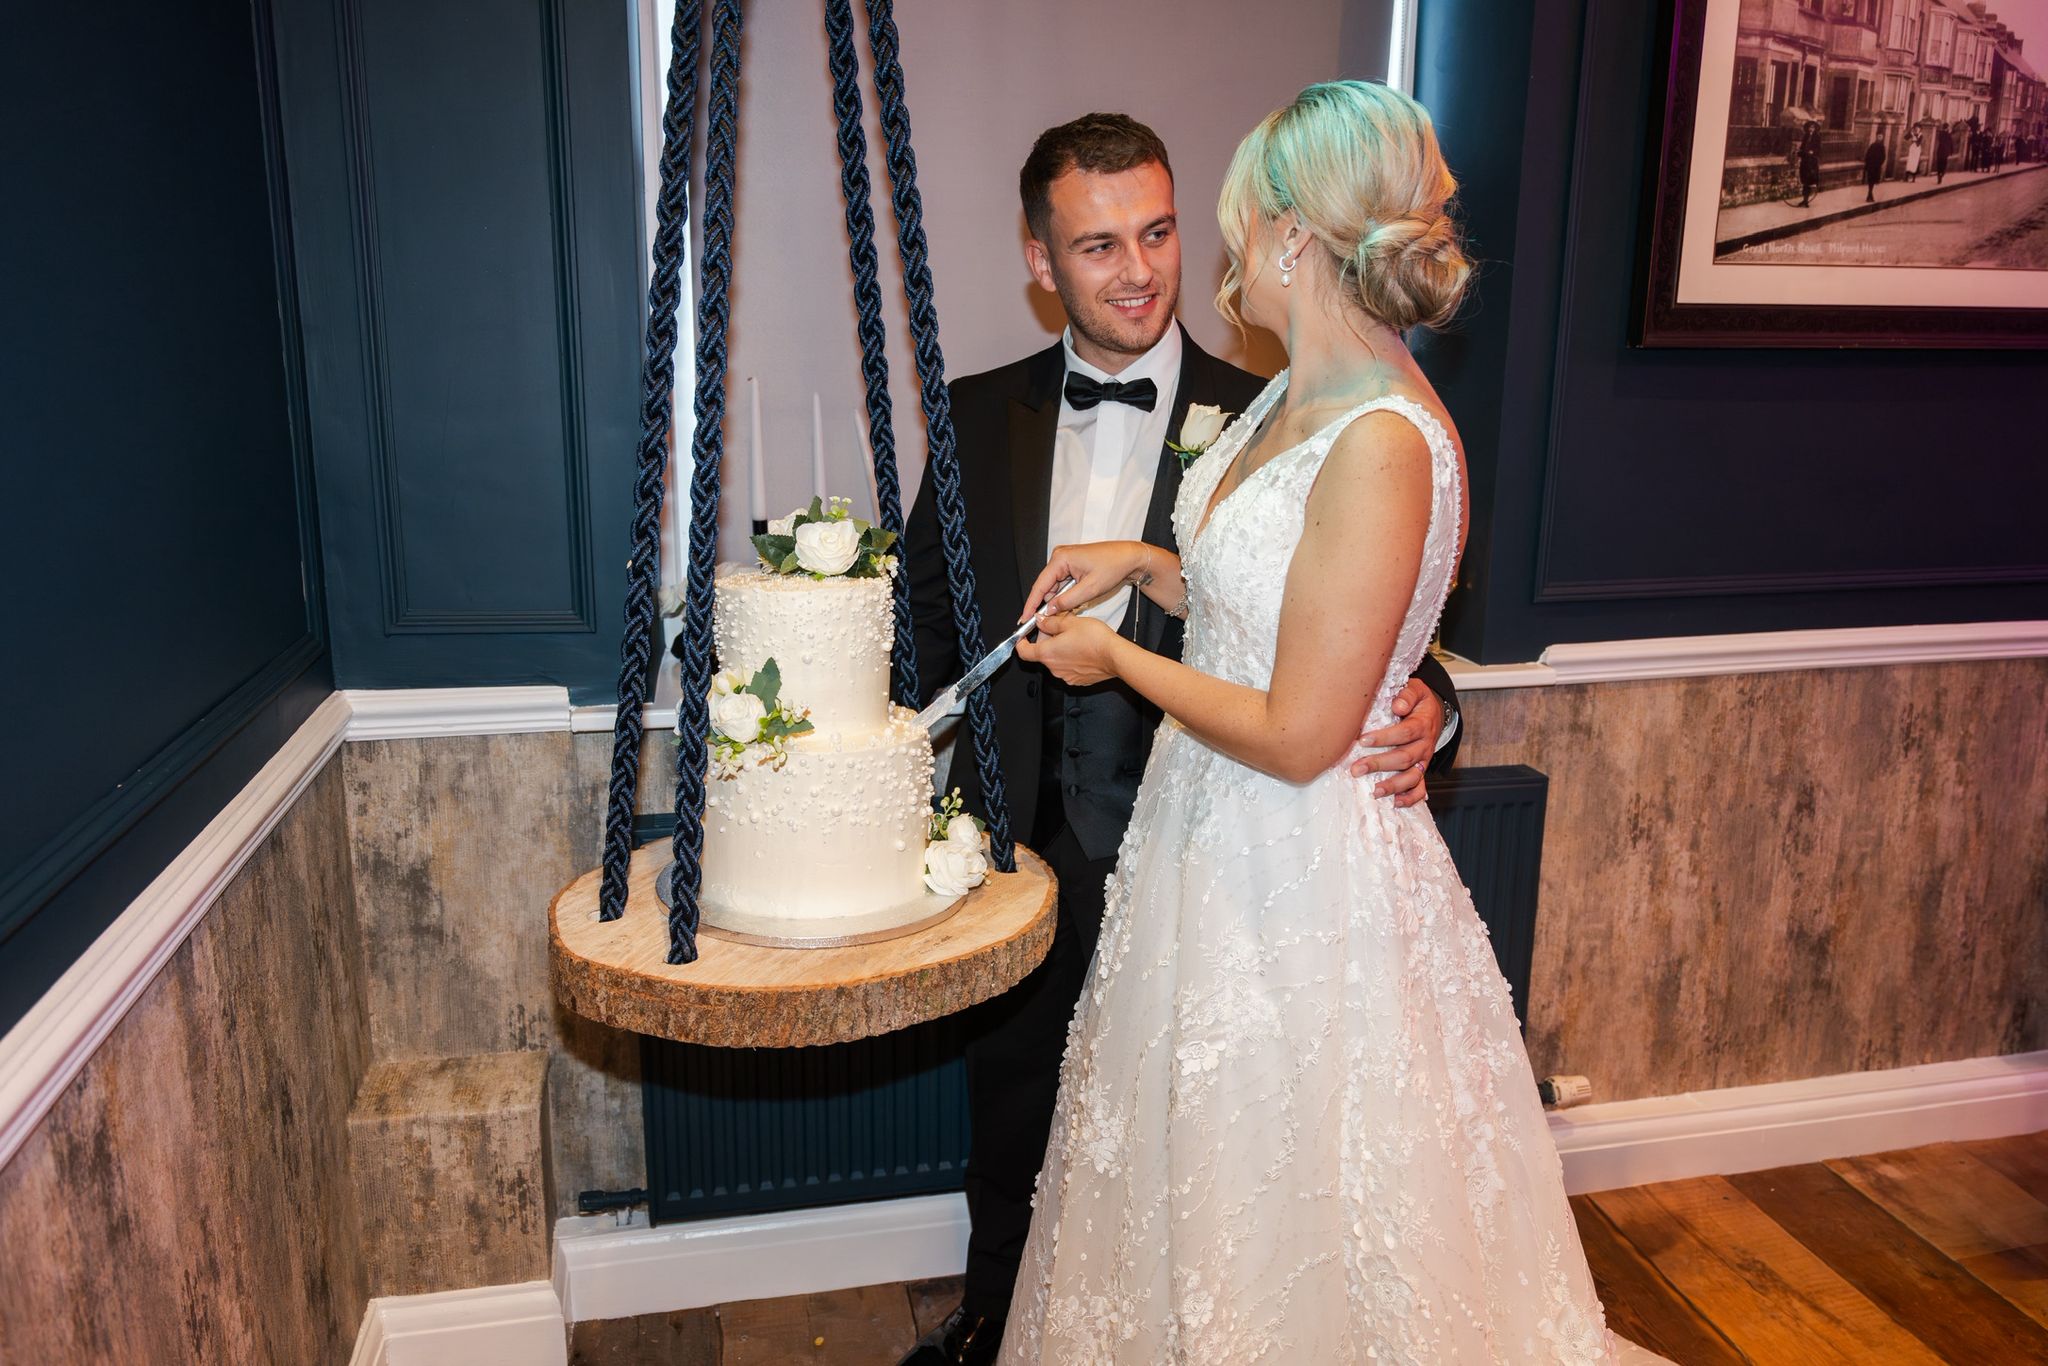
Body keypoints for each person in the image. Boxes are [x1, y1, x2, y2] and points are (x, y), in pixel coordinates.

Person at [997, 81, 1664, 1363]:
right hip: (1207, 848)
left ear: (1298, 235)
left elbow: (1302, 726)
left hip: (1300, 879)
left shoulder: (1383, 442)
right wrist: (1142, 566)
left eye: (1240, 217)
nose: (1227, 246)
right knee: (1192, 1194)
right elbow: (1259, 603)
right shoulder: (1281, 394)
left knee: (1301, 1200)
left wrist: (1118, 663)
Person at [898, 113, 1462, 1366]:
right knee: (1037, 1126)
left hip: (1250, 859)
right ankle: (1005, 1320)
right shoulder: (979, 415)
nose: (1149, 267)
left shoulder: (1280, 402)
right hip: (1025, 848)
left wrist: (1434, 707)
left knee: (1243, 1164)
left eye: (1164, 230)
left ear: (1292, 236)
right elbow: (923, 631)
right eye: (1100, 244)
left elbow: (1362, 642)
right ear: (1042, 260)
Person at [1796, 119, 1822, 207]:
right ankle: (1804, 200)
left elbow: (1818, 149)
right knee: (1804, 181)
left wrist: (1813, 152)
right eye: (1810, 127)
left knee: (1809, 181)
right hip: (1805, 161)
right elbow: (1802, 147)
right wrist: (1799, 152)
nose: (1811, 129)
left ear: (1815, 129)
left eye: (1813, 127)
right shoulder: (1805, 136)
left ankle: (1806, 201)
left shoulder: (1817, 137)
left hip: (1811, 162)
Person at [1863, 132, 1886, 202]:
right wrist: (1867, 163)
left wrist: (1879, 163)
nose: (1880, 138)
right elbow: (1867, 155)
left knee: (1872, 181)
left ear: (1882, 138)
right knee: (1871, 180)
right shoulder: (1872, 145)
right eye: (1879, 136)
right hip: (1871, 166)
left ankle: (1869, 195)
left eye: (1881, 137)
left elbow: (1883, 157)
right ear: (1876, 137)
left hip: (1876, 166)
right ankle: (1870, 195)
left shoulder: (1882, 147)